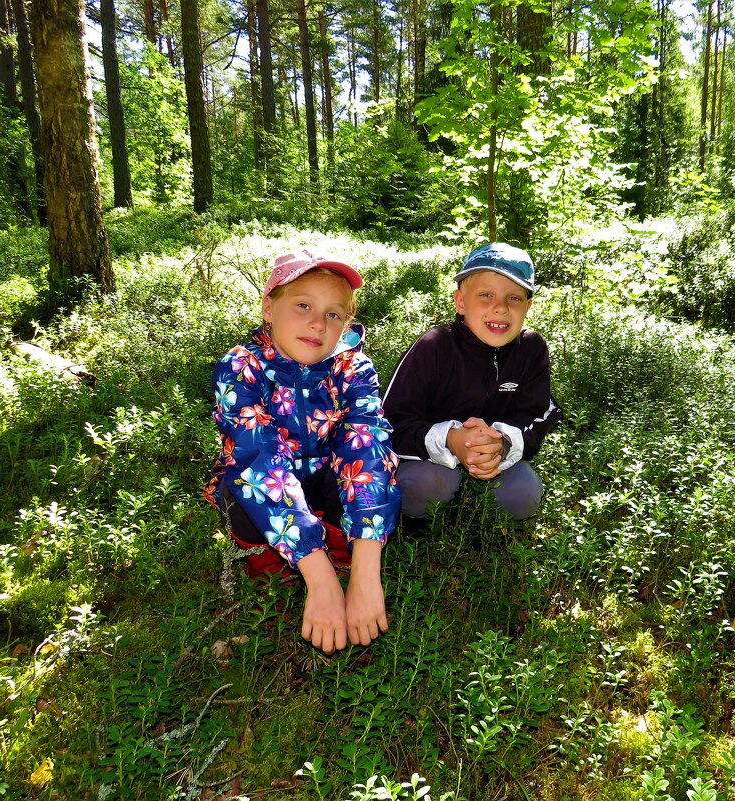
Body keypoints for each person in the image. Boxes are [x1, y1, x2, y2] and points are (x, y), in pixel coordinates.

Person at [204, 249, 400, 653]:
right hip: (266, 486)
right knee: (238, 493)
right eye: (304, 305)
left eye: (334, 314)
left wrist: (367, 572)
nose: (317, 322)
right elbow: (258, 462)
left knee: (376, 472)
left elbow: (367, 446)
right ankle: (286, 570)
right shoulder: (241, 367)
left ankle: (347, 558)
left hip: (327, 476)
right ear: (268, 308)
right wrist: (321, 577)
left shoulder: (353, 368)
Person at [383, 242, 561, 525]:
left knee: (523, 495)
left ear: (528, 306)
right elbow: (391, 423)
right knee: (427, 485)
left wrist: (502, 442)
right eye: (486, 295)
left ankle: (485, 509)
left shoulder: (531, 348)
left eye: (514, 298)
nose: (500, 308)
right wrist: (452, 440)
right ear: (461, 302)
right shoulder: (434, 346)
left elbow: (540, 413)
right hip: (429, 459)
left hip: (496, 457)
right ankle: (417, 525)